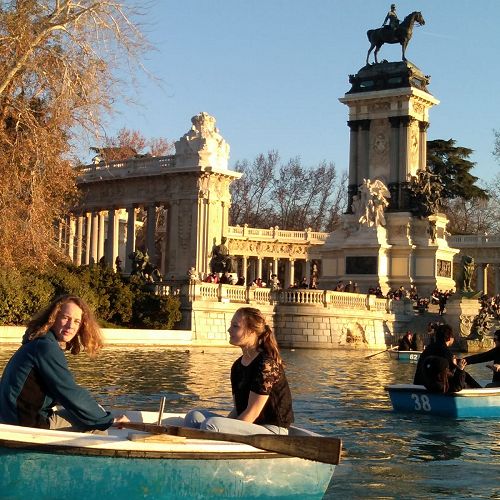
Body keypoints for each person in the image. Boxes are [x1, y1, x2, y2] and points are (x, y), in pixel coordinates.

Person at [0, 295, 129, 432]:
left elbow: (57, 392)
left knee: (93, 412)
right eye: (66, 318)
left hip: (9, 416)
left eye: (76, 321)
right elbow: (69, 392)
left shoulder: (38, 342)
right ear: (53, 317)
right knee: (97, 426)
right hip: (24, 422)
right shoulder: (46, 347)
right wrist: (108, 420)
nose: (70, 326)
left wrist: (96, 410)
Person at [183, 307, 294, 435]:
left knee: (211, 424)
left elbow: (252, 413)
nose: (229, 330)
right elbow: (238, 409)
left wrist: (221, 428)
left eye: (235, 326)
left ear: (252, 331)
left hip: (272, 430)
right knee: (194, 416)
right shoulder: (237, 366)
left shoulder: (267, 365)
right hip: (249, 426)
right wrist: (225, 425)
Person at [413, 324, 481, 388]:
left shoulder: (428, 348)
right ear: (449, 338)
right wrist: (477, 386)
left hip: (419, 384)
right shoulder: (445, 351)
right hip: (434, 387)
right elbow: (457, 372)